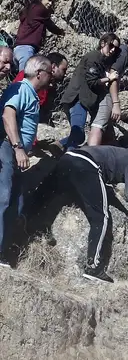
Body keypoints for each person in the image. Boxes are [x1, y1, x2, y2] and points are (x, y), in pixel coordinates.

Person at [54, 141, 128, 282]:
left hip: (68, 157)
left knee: (50, 197)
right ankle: (93, 267)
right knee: (101, 217)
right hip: (86, 164)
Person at [0, 55, 52, 267]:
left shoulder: (31, 93)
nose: (51, 77)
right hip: (10, 149)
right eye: (49, 73)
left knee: (16, 200)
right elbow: (8, 115)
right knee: (4, 197)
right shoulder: (21, 89)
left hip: (17, 153)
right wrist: (18, 148)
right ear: (39, 73)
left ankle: (6, 247)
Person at [88, 27, 128, 146]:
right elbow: (113, 76)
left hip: (104, 92)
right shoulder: (123, 54)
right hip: (105, 94)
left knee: (108, 136)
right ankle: (89, 154)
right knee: (98, 127)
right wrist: (116, 103)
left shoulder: (122, 52)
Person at [59, 33, 120, 151]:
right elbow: (92, 81)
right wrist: (109, 78)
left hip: (77, 100)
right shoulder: (94, 57)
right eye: (111, 46)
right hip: (77, 99)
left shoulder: (100, 60)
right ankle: (69, 159)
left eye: (115, 49)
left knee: (79, 135)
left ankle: (59, 144)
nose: (112, 50)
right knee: (77, 134)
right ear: (102, 43)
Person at [13, 0, 64, 72]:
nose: (50, 3)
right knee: (25, 77)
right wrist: (60, 32)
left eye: (53, 2)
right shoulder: (40, 9)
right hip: (27, 50)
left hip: (19, 49)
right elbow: (50, 25)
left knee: (20, 77)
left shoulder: (31, 8)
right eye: (49, 0)